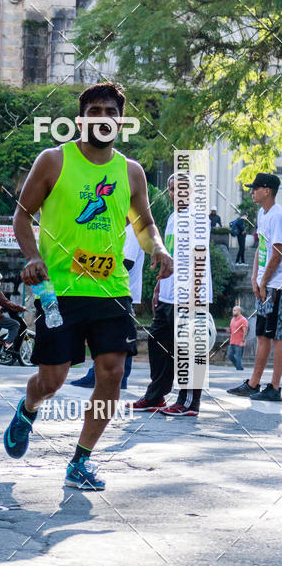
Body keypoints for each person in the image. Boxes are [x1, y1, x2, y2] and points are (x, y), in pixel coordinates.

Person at [2, 81, 172, 491]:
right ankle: (28, 409)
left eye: (110, 112)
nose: (102, 118)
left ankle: (81, 460)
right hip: (59, 289)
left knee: (111, 372)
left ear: (120, 121)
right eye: (94, 111)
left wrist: (158, 250)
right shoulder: (54, 160)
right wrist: (32, 257)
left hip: (111, 289)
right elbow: (22, 217)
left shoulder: (130, 171)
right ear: (81, 119)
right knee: (53, 378)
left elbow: (144, 223)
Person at [133, 173, 213, 417]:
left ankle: (189, 402)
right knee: (157, 342)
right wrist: (159, 287)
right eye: (170, 189)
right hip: (168, 295)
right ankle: (156, 394)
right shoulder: (172, 218)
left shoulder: (198, 217)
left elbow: (198, 259)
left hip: (189, 295)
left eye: (178, 189)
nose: (173, 194)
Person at [227, 173, 282, 402]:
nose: (252, 192)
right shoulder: (262, 214)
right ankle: (253, 383)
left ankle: (275, 387)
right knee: (262, 335)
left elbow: (278, 252)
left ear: (267, 190)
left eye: (256, 188)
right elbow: (261, 246)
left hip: (277, 286)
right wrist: (254, 277)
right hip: (264, 285)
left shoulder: (278, 215)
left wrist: (264, 281)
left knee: (278, 338)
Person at [71, 220, 144, 389]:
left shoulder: (131, 230)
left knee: (118, 338)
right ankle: (101, 375)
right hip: (112, 291)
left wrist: (87, 266)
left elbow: (127, 262)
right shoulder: (120, 230)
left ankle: (115, 379)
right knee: (110, 337)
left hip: (122, 291)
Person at [227, 305, 248, 371]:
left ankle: (239, 369)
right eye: (233, 310)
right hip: (232, 341)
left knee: (238, 357)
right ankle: (239, 366)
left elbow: (245, 331)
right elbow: (232, 329)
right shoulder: (232, 319)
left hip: (240, 342)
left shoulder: (243, 320)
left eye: (235, 310)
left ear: (239, 311)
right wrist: (229, 330)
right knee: (230, 355)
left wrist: (243, 340)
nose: (233, 312)